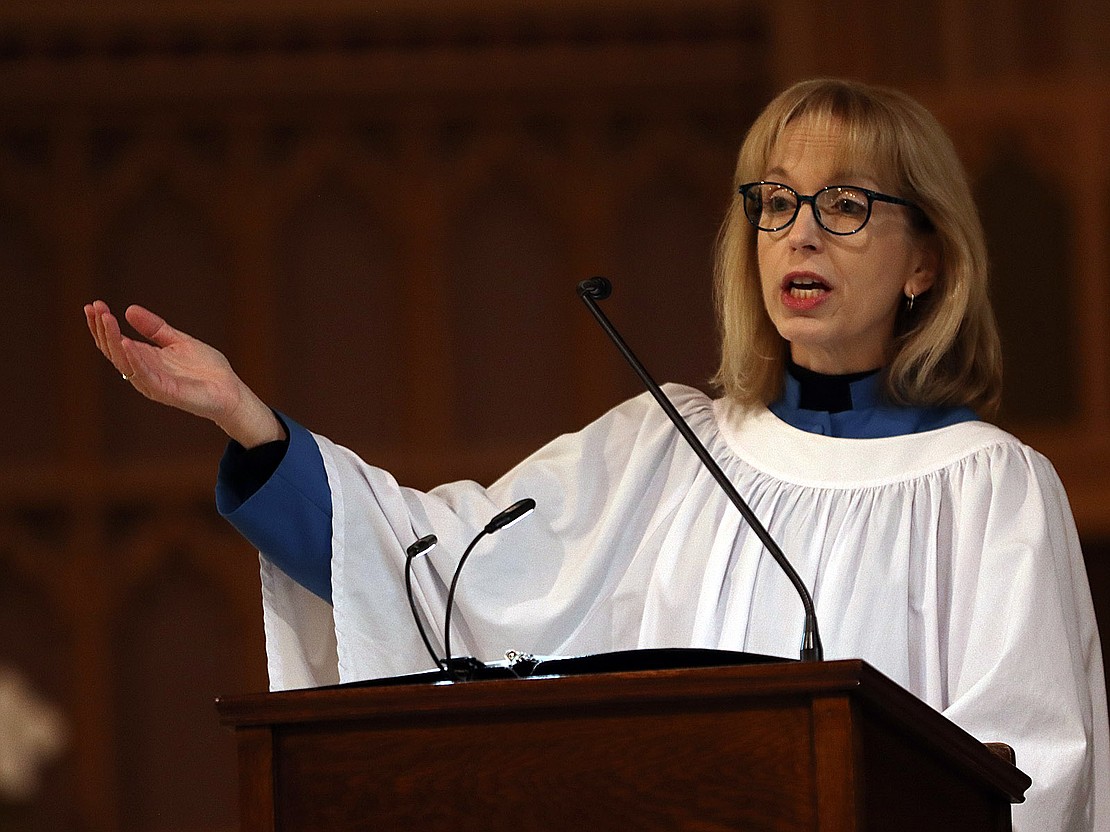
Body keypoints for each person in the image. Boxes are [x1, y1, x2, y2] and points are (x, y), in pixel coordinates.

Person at [86, 78, 1107, 830]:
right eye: (776, 201)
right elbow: (438, 569)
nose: (801, 234)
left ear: (926, 257)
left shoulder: (991, 488)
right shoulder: (670, 450)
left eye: (845, 204)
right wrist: (248, 420)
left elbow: (1036, 781)